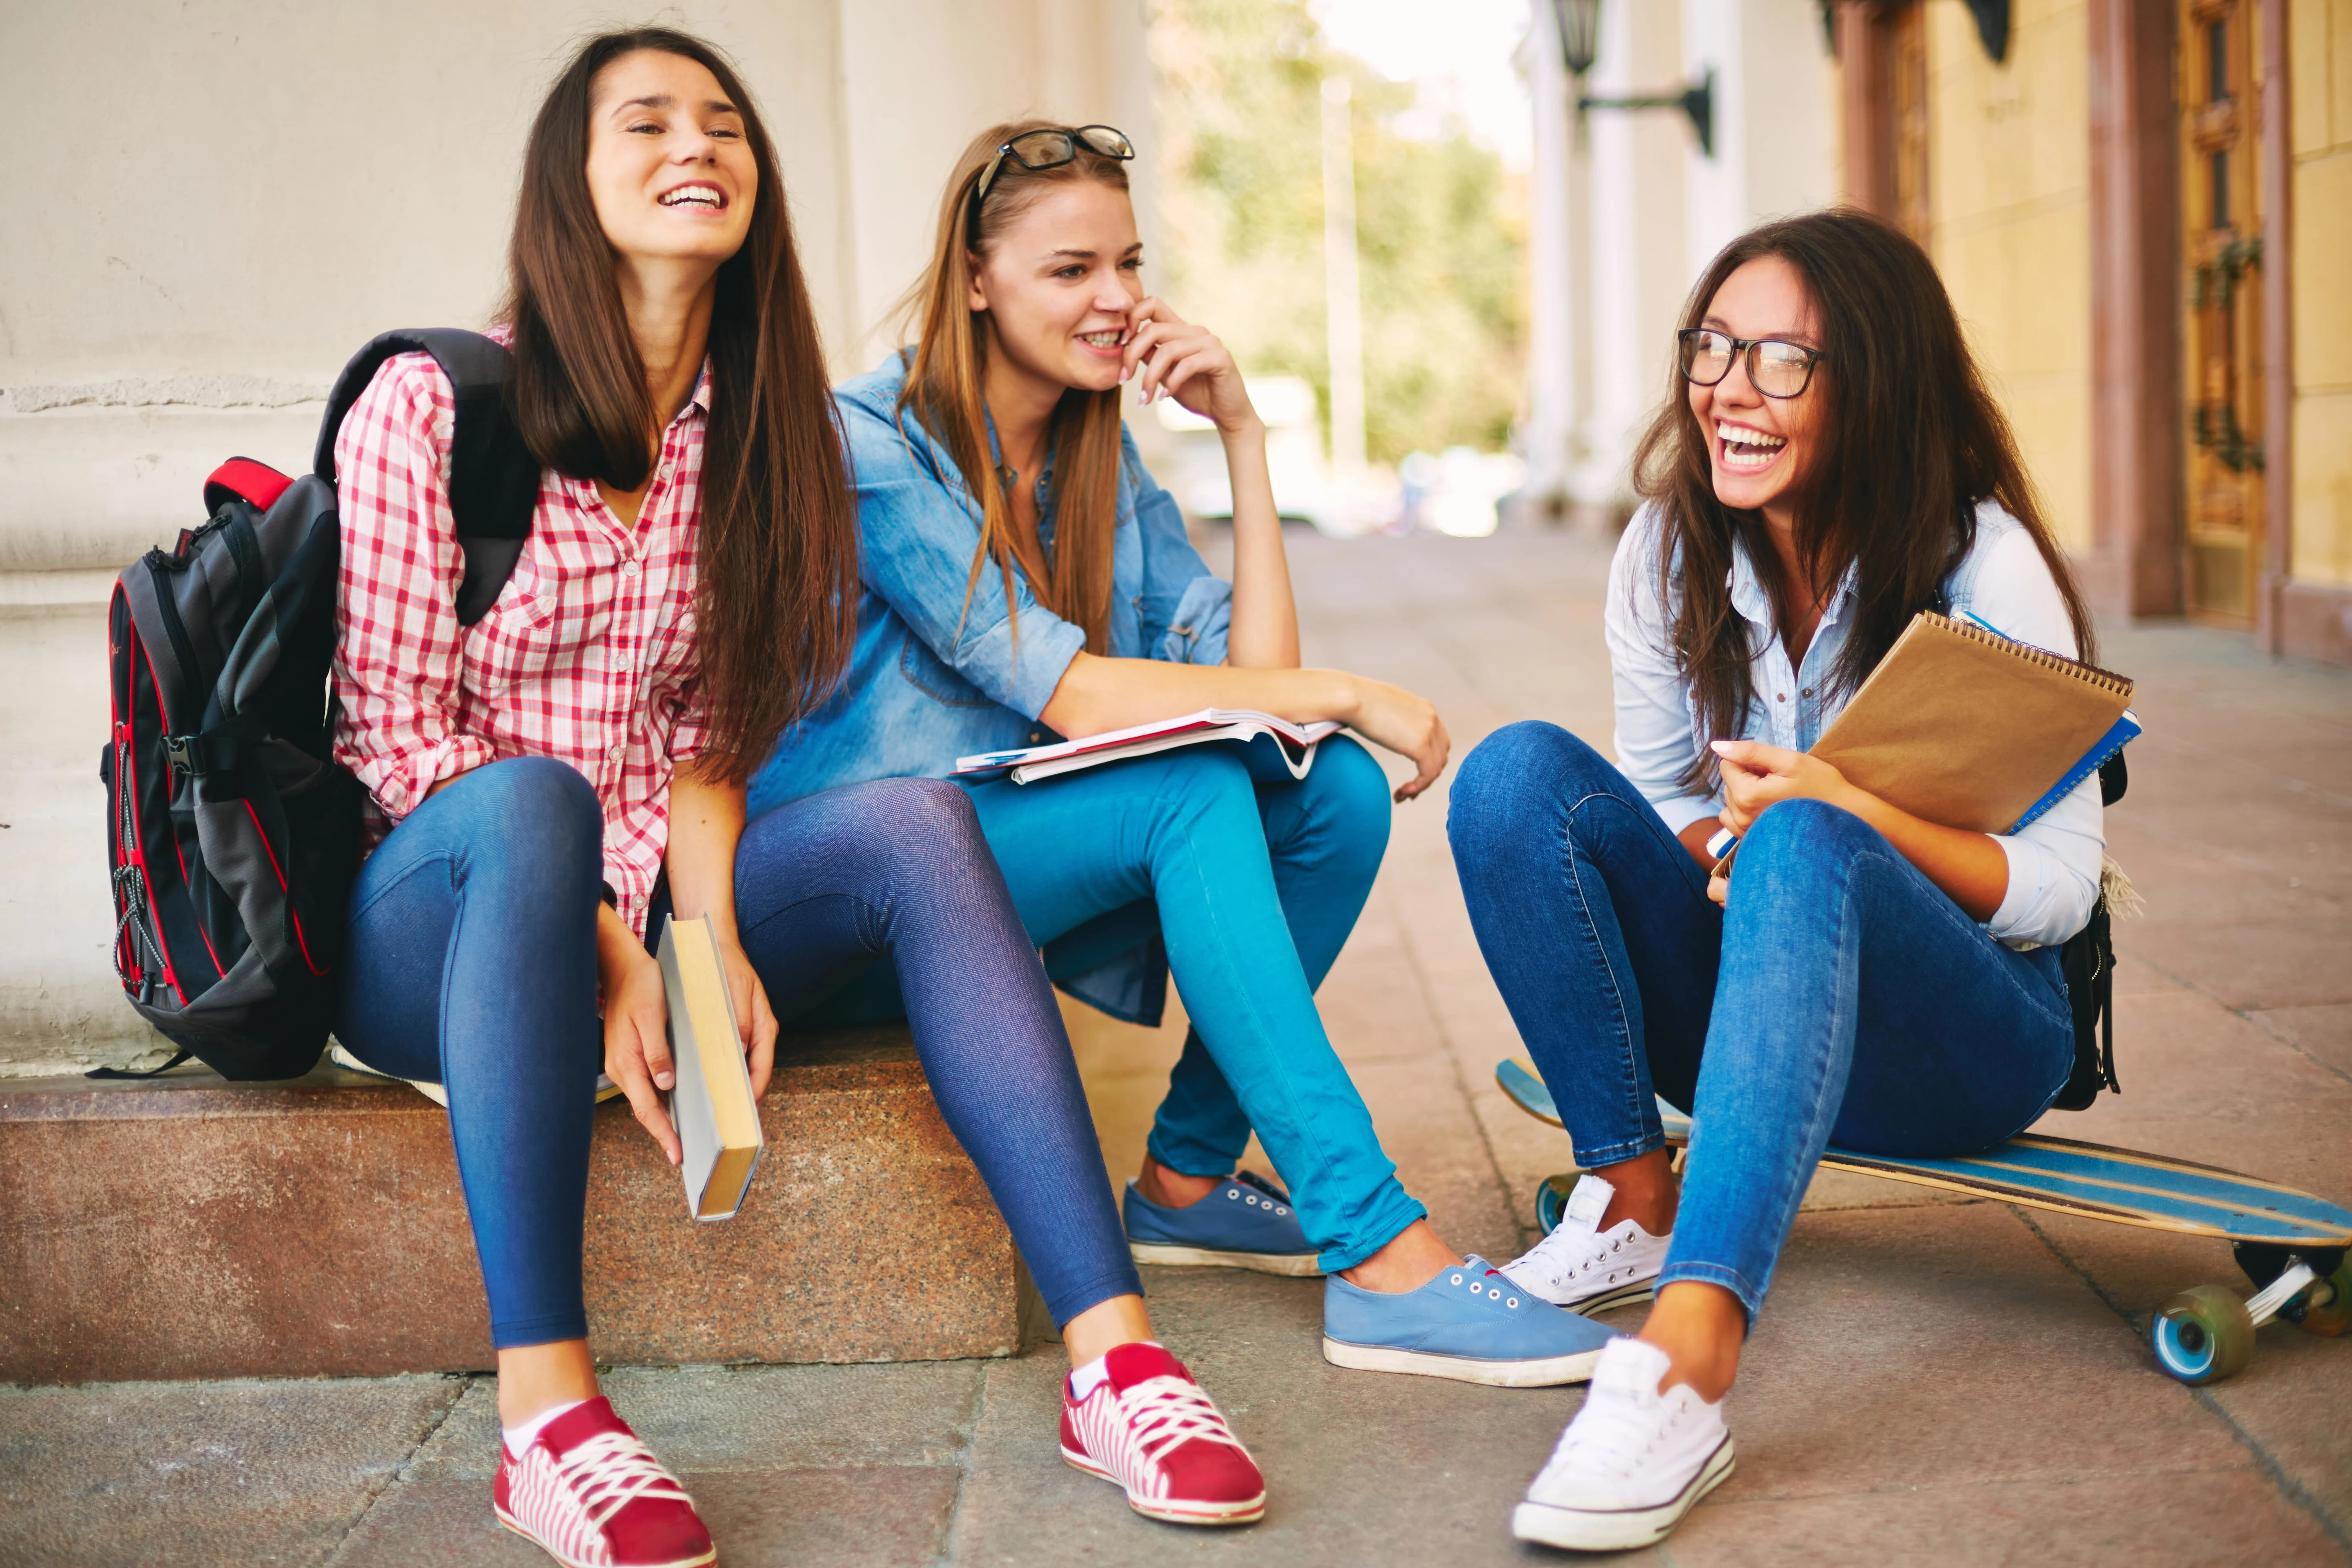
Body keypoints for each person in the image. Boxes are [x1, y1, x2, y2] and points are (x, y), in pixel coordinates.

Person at [331, 36, 1265, 1568]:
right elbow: (391, 733)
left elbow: (711, 739)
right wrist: (617, 959)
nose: (698, 144)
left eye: (726, 126)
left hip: (644, 888)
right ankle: (549, 1424)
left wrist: (708, 952)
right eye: (648, 121)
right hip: (438, 924)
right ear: (572, 178)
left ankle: (1119, 1363)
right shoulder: (435, 404)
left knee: (917, 821)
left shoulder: (754, 434)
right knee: (532, 803)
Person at [748, 119, 1615, 1388]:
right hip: (845, 897)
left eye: (1129, 264)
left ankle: (1185, 1176)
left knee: (1338, 798)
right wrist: (1350, 687)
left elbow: (1261, 696)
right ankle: (1374, 1248)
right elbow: (1060, 685)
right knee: (1191, 788)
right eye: (1070, 270)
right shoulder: (868, 446)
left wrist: (1244, 440)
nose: (1116, 300)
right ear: (975, 280)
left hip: (986, 867)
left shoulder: (1099, 461)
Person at [1447, 209, 2103, 1552]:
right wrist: (1721, 846)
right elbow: (1672, 809)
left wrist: (1841, 814)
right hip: (1758, 1014)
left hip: (1972, 1041)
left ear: (1876, 384)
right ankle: (1631, 1201)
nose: (1728, 391)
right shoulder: (1668, 549)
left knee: (1809, 836)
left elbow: (2060, 893)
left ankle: (1688, 1359)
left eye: (1783, 362)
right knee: (1515, 775)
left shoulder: (1985, 564)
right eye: (1714, 347)